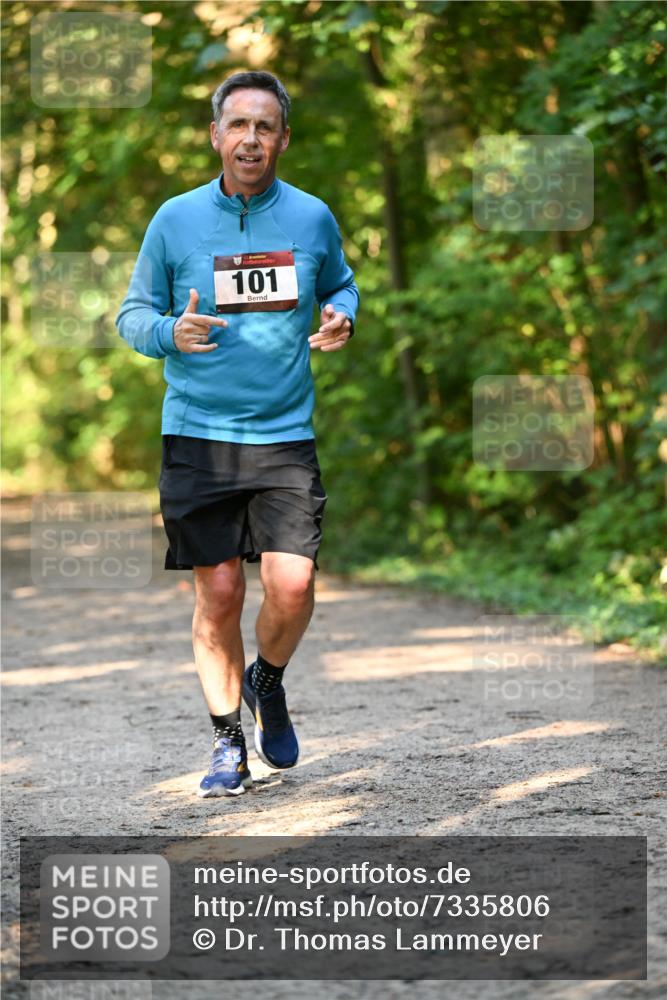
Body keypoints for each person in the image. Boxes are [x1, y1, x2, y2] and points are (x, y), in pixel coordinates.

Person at [116, 70, 359, 798]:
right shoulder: (175, 219)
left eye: (265, 126)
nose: (250, 138)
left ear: (282, 138)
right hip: (198, 436)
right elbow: (132, 316)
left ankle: (268, 678)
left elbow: (340, 282)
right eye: (237, 125)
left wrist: (342, 312)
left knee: (293, 583)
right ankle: (228, 744)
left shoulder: (312, 217)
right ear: (215, 135)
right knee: (218, 594)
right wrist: (168, 330)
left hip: (284, 434)